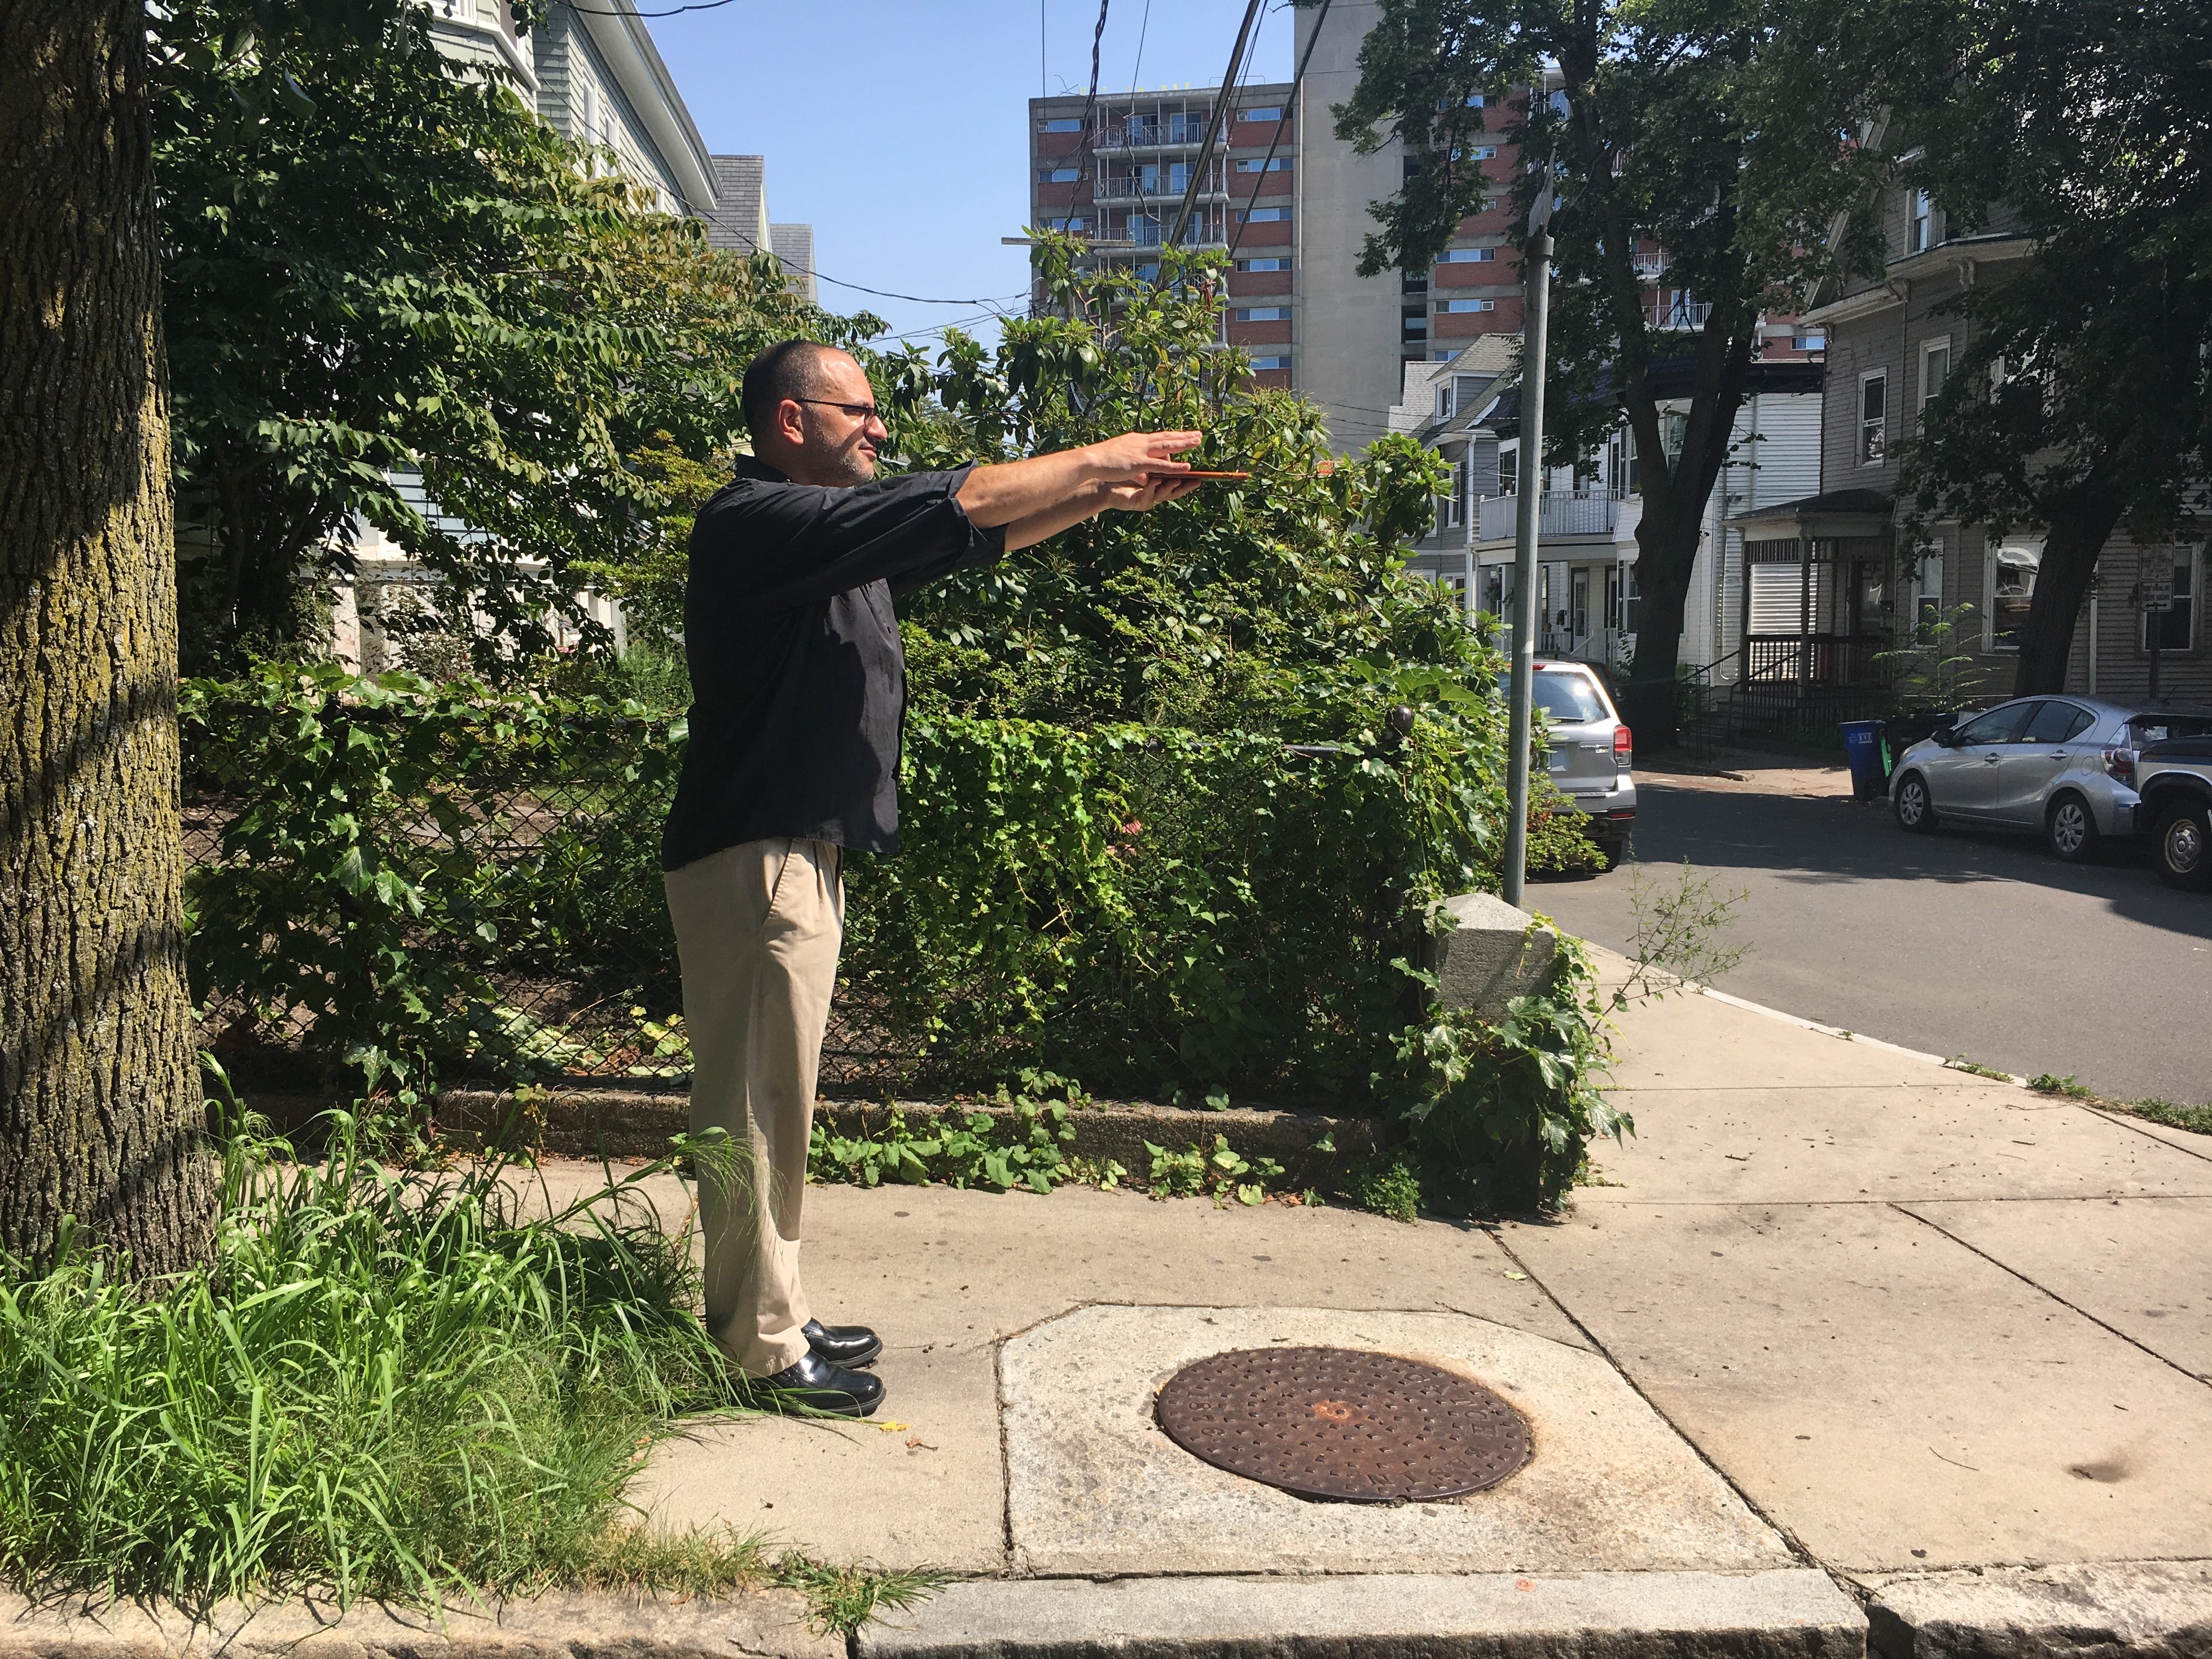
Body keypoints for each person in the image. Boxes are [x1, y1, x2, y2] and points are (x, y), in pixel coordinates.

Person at [661, 339, 1203, 1417]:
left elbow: (976, 531)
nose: (879, 428)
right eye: (856, 411)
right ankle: (758, 1350)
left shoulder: (826, 546)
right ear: (789, 421)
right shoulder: (756, 523)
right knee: (756, 1110)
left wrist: (1100, 500)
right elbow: (963, 493)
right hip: (755, 856)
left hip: (790, 852)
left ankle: (772, 1308)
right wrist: (1097, 457)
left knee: (782, 1104)